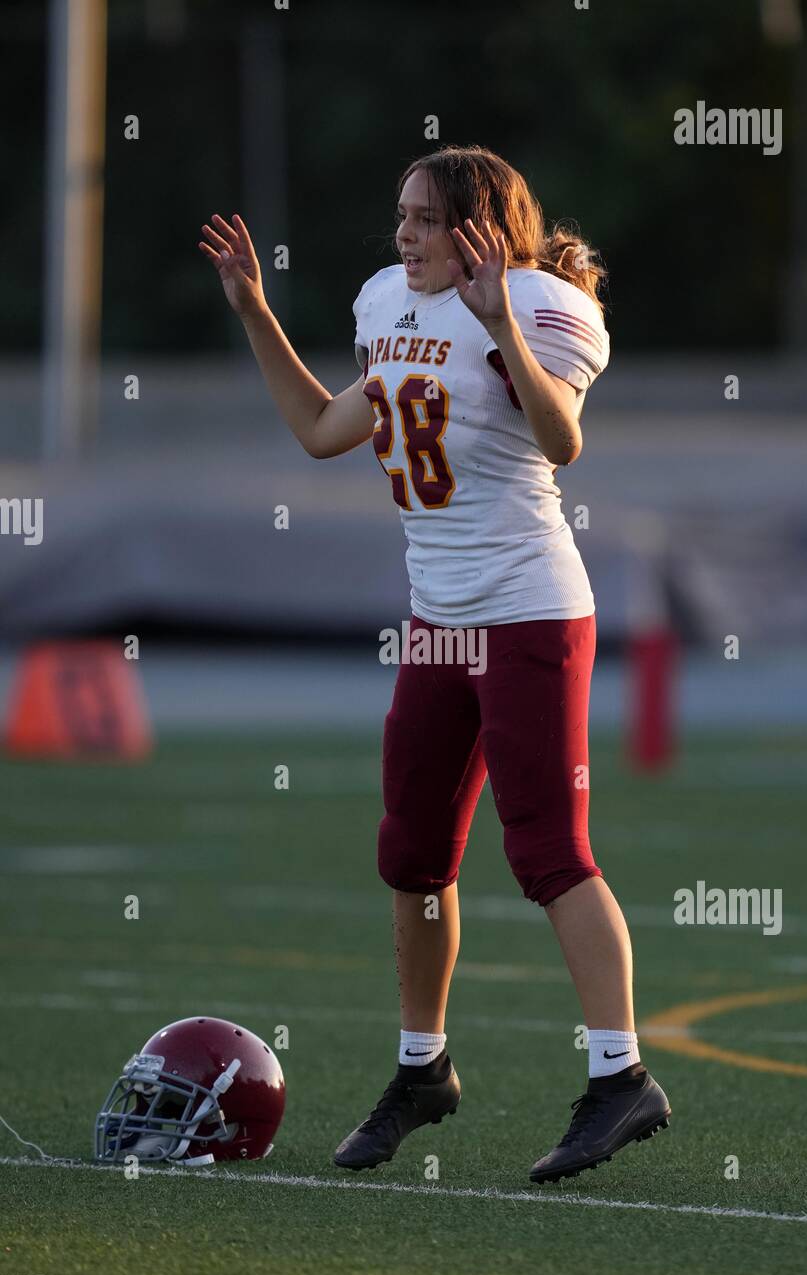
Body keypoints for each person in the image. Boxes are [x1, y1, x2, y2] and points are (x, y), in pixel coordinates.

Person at [199, 144, 671, 1185]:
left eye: (423, 219)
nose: (402, 237)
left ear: (478, 230)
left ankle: (619, 1073)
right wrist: (252, 311)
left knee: (548, 851)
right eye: (400, 216)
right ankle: (422, 1067)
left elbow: (562, 443)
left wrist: (501, 320)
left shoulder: (539, 305)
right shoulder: (387, 303)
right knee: (410, 852)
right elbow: (326, 426)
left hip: (531, 609)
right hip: (438, 620)